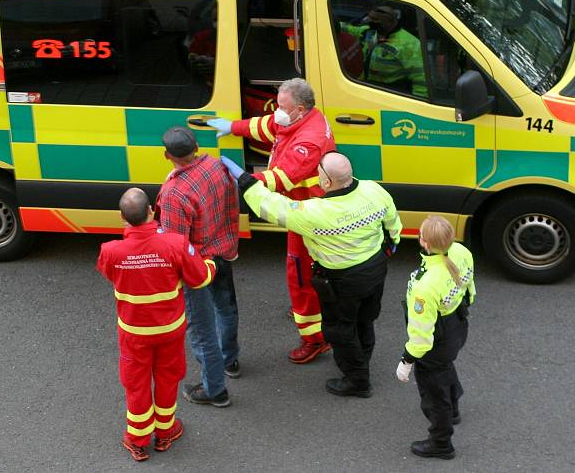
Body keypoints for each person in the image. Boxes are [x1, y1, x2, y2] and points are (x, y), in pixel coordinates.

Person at [219, 152, 402, 398]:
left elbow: (272, 207)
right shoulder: (373, 190)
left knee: (340, 329)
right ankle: (362, 359)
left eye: (319, 171)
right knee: (364, 319)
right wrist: (391, 244)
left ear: (326, 181)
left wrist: (244, 180)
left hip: (343, 279)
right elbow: (392, 222)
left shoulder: (316, 212)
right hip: (375, 268)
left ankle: (358, 380)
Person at [207, 78, 336, 365]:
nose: (277, 111)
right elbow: (268, 126)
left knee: (300, 273)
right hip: (306, 207)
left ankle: (315, 339)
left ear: (300, 109)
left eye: (281, 106)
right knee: (312, 270)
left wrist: (243, 180)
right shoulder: (300, 118)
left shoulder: (309, 140)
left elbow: (282, 177)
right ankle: (316, 312)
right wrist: (232, 127)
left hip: (307, 212)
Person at [96, 188, 217, 462]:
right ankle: (167, 431)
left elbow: (109, 274)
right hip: (169, 330)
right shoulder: (175, 244)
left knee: (136, 384)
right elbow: (200, 279)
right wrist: (211, 264)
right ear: (152, 211)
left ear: (122, 218)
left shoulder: (111, 251)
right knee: (167, 377)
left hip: (134, 333)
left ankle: (137, 439)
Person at [155, 126, 241, 409]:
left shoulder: (174, 194)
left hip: (198, 266)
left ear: (168, 155)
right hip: (223, 252)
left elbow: (175, 244)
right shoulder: (216, 166)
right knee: (226, 309)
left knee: (202, 331)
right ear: (195, 146)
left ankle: (215, 390)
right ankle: (230, 361)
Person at [396, 215, 475, 460]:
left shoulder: (426, 286)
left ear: (425, 243)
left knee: (433, 393)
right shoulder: (461, 251)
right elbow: (469, 288)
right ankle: (453, 409)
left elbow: (421, 334)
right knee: (445, 368)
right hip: (457, 325)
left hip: (435, 340)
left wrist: (406, 360)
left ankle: (441, 442)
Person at [340, 5, 427, 98]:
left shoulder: (410, 44)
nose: (371, 23)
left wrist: (417, 104)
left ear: (389, 22)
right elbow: (350, 29)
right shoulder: (373, 32)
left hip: (391, 93)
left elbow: (420, 79)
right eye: (370, 19)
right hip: (366, 87)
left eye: (376, 20)